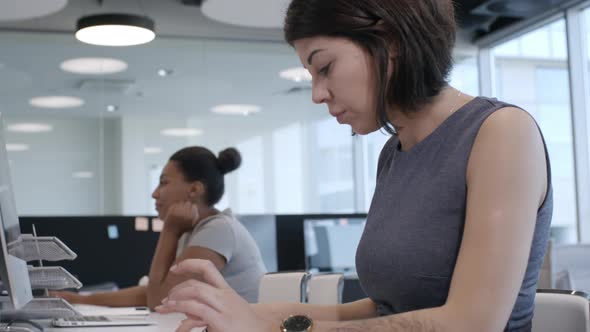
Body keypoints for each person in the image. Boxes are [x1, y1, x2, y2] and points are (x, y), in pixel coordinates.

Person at [156, 1, 552, 331]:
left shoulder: (501, 133)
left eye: (324, 67)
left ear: (390, 41)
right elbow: (384, 309)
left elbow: (472, 323)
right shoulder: (394, 153)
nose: (317, 94)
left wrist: (278, 329)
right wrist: (249, 312)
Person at [52, 146, 267, 309]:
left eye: (163, 182)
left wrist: (170, 231)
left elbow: (159, 301)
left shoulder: (218, 230)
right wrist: (77, 299)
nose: (155, 193)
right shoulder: (196, 231)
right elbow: (151, 293)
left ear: (194, 189)